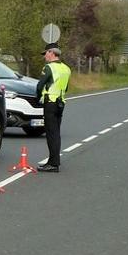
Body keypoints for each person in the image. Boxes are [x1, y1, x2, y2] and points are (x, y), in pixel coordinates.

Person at [35, 45, 71, 173]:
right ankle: (54, 161)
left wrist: (38, 98)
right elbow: (65, 88)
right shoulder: (66, 69)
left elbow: (40, 86)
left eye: (46, 53)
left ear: (52, 53)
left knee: (51, 133)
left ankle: (53, 163)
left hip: (50, 102)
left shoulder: (49, 67)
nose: (45, 56)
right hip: (61, 103)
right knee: (56, 133)